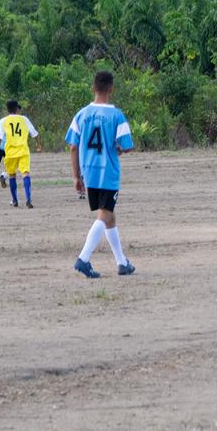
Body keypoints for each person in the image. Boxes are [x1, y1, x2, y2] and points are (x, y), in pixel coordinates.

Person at [67, 71, 137, 277]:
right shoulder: (116, 115)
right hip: (108, 171)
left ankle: (122, 262)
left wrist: (76, 176)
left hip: (89, 171)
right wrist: (119, 149)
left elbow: (73, 146)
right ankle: (83, 258)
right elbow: (127, 145)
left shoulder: (81, 114)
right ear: (111, 89)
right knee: (105, 214)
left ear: (93, 88)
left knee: (109, 216)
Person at [0, 99, 40, 208]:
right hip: (23, 151)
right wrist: (38, 145)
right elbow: (35, 134)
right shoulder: (24, 119)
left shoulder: (3, 121)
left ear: (7, 109)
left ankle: (15, 200)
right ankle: (28, 199)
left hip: (10, 152)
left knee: (12, 175)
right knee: (25, 174)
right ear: (17, 109)